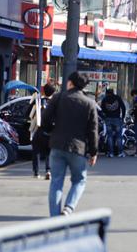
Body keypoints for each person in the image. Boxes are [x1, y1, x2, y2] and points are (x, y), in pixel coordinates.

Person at [42, 71, 98, 217]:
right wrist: (93, 152)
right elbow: (93, 130)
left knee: (56, 182)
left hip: (57, 145)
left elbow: (45, 120)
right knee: (79, 180)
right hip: (78, 148)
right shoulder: (89, 103)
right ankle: (68, 208)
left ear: (70, 83)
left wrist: (52, 132)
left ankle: (54, 216)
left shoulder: (58, 97)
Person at [30, 83, 56, 179]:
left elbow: (30, 113)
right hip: (52, 132)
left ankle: (36, 172)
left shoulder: (38, 101)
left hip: (40, 130)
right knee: (49, 152)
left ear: (44, 91)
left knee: (36, 151)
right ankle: (48, 171)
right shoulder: (55, 103)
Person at [100, 88, 126, 157]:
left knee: (110, 136)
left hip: (108, 119)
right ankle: (120, 153)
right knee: (119, 137)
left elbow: (102, 109)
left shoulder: (105, 99)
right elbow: (123, 107)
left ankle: (111, 153)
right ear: (113, 92)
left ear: (107, 93)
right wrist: (123, 117)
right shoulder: (117, 98)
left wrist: (105, 116)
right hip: (117, 119)